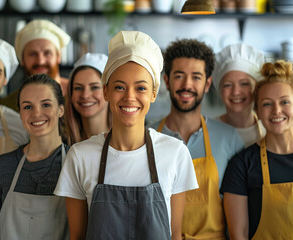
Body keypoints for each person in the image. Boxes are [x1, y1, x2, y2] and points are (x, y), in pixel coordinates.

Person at [54, 31, 198, 240]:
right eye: (119, 87)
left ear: (154, 93)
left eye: (141, 87)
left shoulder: (175, 153)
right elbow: (77, 237)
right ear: (106, 92)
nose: (130, 97)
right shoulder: (79, 156)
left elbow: (175, 235)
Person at [148, 39, 245, 239]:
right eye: (179, 76)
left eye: (196, 77)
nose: (187, 85)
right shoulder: (146, 135)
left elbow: (239, 218)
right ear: (166, 81)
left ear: (207, 84)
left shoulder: (229, 138)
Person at [221, 60, 293, 239]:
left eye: (285, 102)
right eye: (267, 104)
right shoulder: (241, 165)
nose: (277, 110)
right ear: (257, 111)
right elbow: (238, 235)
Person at [0, 74, 69, 240]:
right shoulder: (2, 167)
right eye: (27, 107)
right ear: (19, 113)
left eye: (46, 104)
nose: (36, 113)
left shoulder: (75, 164)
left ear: (61, 109)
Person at [1, 19, 71, 111]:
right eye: (32, 54)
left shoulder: (78, 95)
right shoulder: (9, 106)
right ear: (22, 59)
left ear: (58, 56)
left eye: (47, 53)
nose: (40, 61)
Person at [212, 43, 266, 147]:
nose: (236, 92)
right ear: (220, 90)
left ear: (256, 88)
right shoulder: (205, 131)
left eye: (244, 84)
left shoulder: (268, 129)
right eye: (228, 85)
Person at [65, 52, 111, 146]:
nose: (85, 95)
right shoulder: (63, 145)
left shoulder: (124, 144)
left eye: (94, 87)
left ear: (108, 92)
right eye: (78, 88)